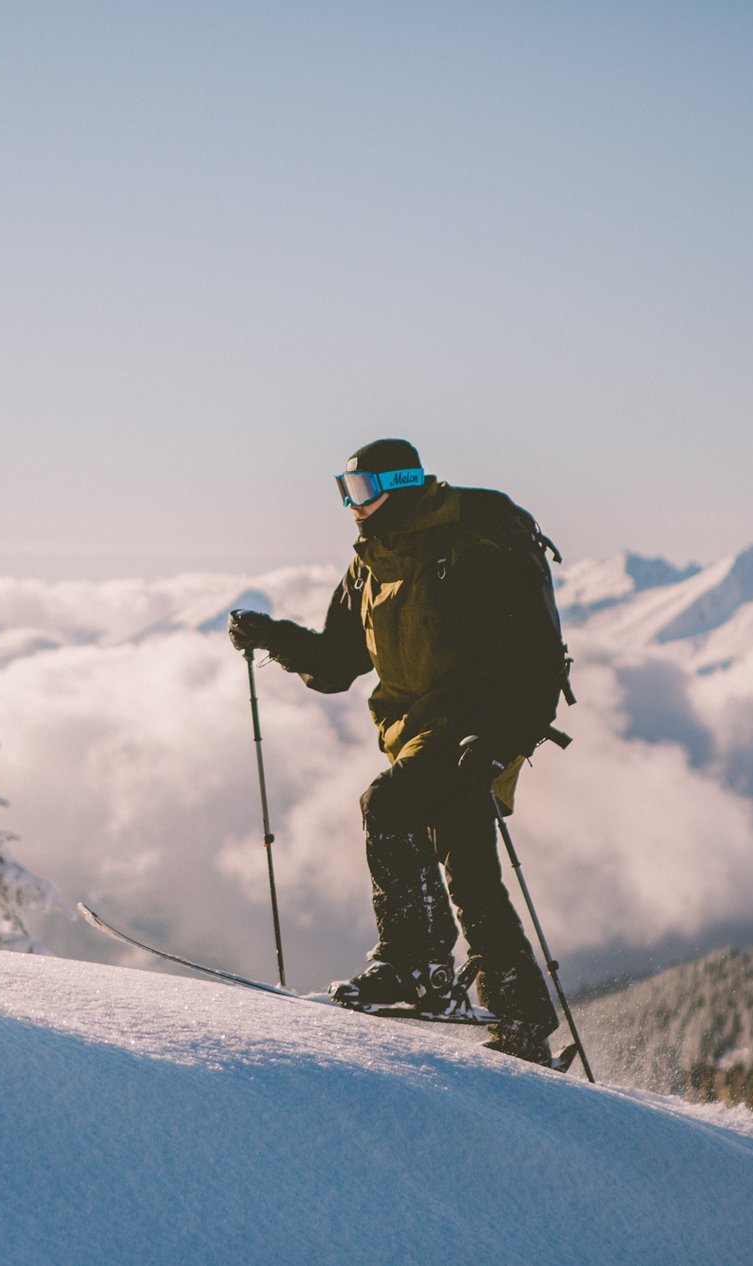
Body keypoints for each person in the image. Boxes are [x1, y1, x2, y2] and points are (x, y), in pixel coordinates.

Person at [228, 438, 567, 1064]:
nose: (352, 507)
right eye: (345, 492)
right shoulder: (372, 564)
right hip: (417, 730)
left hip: (475, 725)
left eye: (361, 492)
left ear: (401, 485)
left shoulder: (468, 551)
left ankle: (414, 963)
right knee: (469, 869)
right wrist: (272, 636)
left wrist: (499, 743)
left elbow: (532, 662)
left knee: (387, 804)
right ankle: (521, 1021)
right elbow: (337, 663)